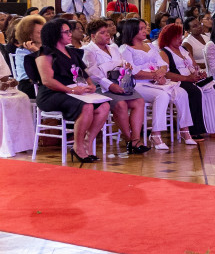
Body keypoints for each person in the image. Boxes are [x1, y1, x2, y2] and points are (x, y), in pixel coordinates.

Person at [33, 18, 110, 163]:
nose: (70, 34)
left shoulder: (72, 51)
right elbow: (47, 81)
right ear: (55, 34)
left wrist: (90, 85)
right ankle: (77, 146)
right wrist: (71, 91)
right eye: (66, 32)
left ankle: (87, 142)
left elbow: (84, 73)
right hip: (52, 94)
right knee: (86, 107)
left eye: (70, 31)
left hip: (74, 91)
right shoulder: (46, 53)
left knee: (104, 106)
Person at [119, 18, 197, 149]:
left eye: (145, 28)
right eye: (141, 29)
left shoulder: (150, 46)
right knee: (162, 96)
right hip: (138, 84)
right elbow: (133, 71)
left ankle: (185, 130)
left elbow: (163, 64)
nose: (145, 31)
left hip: (156, 81)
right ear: (132, 30)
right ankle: (156, 133)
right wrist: (154, 75)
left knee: (182, 93)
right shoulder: (126, 49)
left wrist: (161, 72)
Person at [82, 19, 149, 155]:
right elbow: (93, 73)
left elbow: (121, 61)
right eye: (102, 33)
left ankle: (136, 138)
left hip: (119, 81)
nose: (107, 35)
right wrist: (110, 84)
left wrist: (126, 65)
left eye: (107, 32)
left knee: (139, 101)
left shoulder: (113, 47)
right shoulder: (88, 50)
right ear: (93, 36)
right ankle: (129, 139)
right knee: (121, 105)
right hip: (100, 86)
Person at [158, 23, 215, 140]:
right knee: (194, 92)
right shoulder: (164, 52)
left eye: (181, 36)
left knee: (213, 88)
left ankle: (214, 128)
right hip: (178, 80)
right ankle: (194, 130)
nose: (180, 39)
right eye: (177, 37)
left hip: (192, 78)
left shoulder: (184, 49)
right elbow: (166, 73)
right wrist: (187, 78)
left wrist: (199, 73)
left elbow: (194, 65)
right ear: (169, 37)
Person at [12, 15, 45, 98]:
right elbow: (33, 73)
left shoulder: (46, 47)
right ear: (30, 35)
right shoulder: (22, 51)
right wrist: (36, 52)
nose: (43, 34)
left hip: (43, 81)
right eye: (39, 32)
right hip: (29, 84)